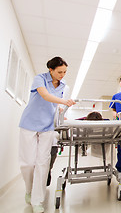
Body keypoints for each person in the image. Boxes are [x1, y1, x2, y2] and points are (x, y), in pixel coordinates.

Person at [18, 57, 76, 213]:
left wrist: (61, 113)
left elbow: (58, 107)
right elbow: (45, 95)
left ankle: (38, 200)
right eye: (59, 72)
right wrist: (64, 103)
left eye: (65, 72)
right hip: (29, 123)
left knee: (43, 164)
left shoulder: (64, 86)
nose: (62, 75)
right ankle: (29, 190)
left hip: (48, 126)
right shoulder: (40, 79)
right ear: (51, 70)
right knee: (28, 163)